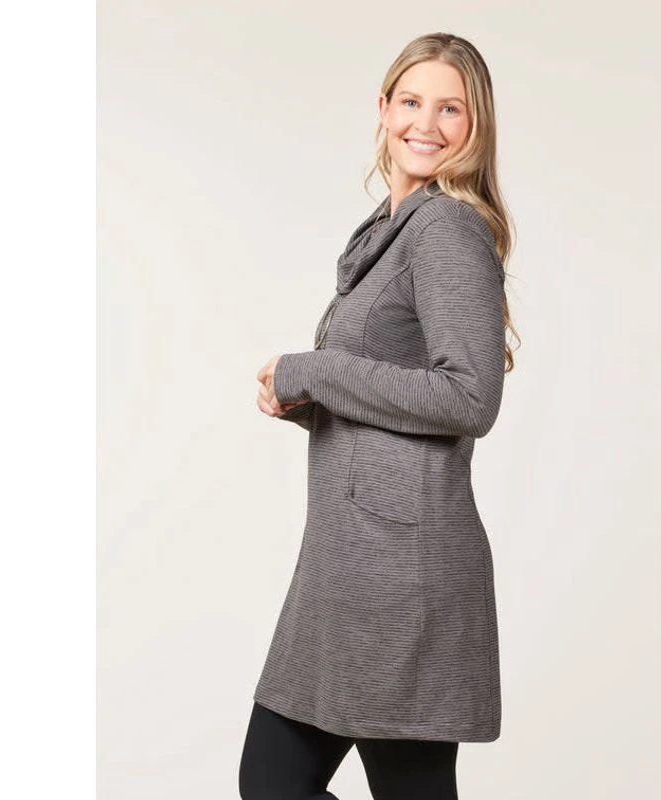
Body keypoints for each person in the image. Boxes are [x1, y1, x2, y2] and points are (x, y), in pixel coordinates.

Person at [241, 31, 519, 800]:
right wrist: (307, 403)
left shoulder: (447, 228)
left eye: (450, 108)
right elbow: (395, 396)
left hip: (400, 574)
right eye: (412, 101)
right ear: (383, 107)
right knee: (271, 782)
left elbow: (470, 397)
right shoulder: (387, 229)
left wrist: (316, 369)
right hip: (347, 564)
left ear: (476, 123)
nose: (426, 124)